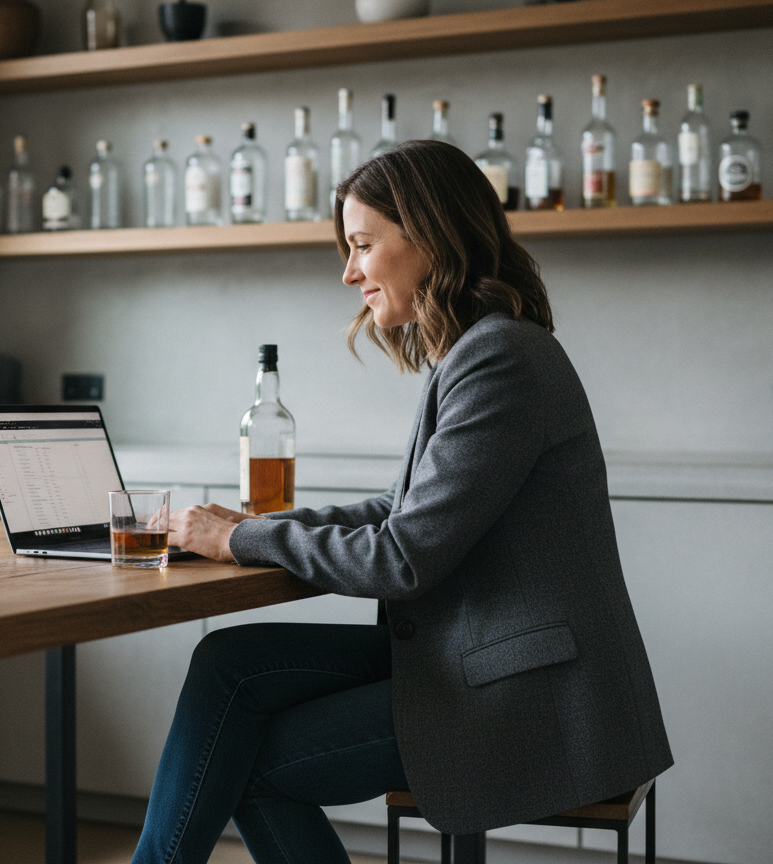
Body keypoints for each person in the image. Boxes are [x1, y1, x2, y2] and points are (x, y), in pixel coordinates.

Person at [138, 140, 673, 864]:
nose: (350, 271)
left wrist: (240, 542)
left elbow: (401, 558)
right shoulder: (479, 350)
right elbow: (399, 510)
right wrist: (254, 525)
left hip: (531, 695)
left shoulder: (501, 359)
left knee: (247, 765)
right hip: (477, 657)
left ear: (428, 236)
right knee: (229, 663)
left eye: (362, 245)